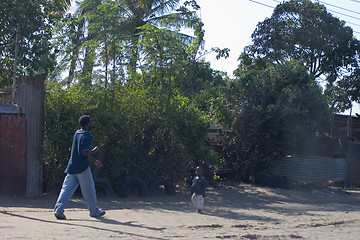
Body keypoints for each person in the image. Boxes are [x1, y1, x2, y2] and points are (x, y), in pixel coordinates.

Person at [53, 115, 105, 220]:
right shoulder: (87, 136)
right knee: (89, 190)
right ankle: (94, 212)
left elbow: (80, 153)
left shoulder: (77, 133)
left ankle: (58, 210)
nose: (91, 124)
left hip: (72, 166)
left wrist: (94, 161)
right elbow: (84, 152)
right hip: (82, 168)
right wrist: (94, 152)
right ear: (87, 124)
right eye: (90, 122)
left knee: (66, 190)